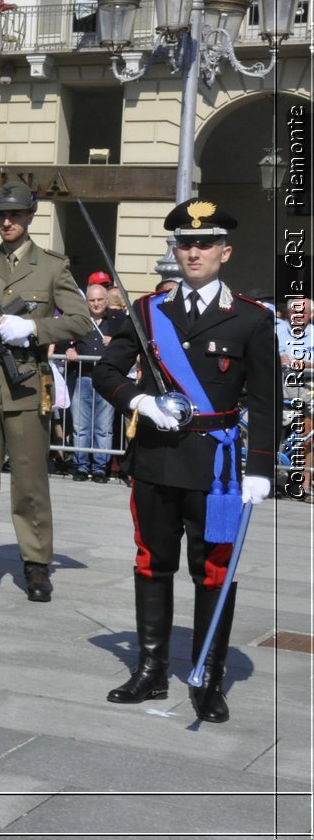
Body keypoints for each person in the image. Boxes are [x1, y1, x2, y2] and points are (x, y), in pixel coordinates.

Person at [94, 199, 275, 724]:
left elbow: (264, 400)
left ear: (225, 251)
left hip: (216, 470)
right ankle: (151, 670)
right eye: (185, 243)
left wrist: (259, 468)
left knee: (214, 569)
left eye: (204, 243)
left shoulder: (251, 319)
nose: (193, 251)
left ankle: (207, 676)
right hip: (154, 459)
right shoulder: (148, 312)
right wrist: (140, 401)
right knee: (153, 562)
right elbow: (107, 371)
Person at [0, 182, 91, 603]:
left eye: (15, 215)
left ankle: (36, 564)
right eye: (1, 215)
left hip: (25, 384)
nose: (7, 221)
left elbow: (80, 321)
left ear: (30, 217)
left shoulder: (52, 266)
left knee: (30, 480)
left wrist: (34, 328)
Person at [66, 282, 126, 482]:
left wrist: (115, 342)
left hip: (106, 380)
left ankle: (100, 468)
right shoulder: (79, 320)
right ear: (86, 302)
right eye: (92, 300)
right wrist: (68, 350)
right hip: (82, 377)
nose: (96, 304)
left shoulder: (119, 320)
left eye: (100, 300)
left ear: (107, 300)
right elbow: (62, 340)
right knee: (80, 427)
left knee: (104, 427)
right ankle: (81, 466)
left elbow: (129, 345)